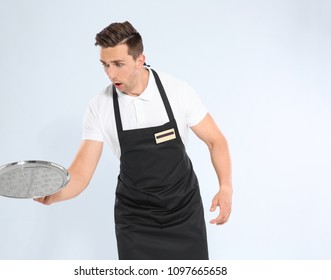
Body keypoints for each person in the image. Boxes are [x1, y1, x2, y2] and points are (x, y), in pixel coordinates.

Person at [34, 21, 232, 260]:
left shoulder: (177, 92)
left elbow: (215, 140)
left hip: (183, 212)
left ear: (140, 60)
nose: (111, 73)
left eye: (118, 64)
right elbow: (81, 174)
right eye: (105, 65)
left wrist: (225, 187)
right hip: (135, 220)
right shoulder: (100, 107)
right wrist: (54, 195)